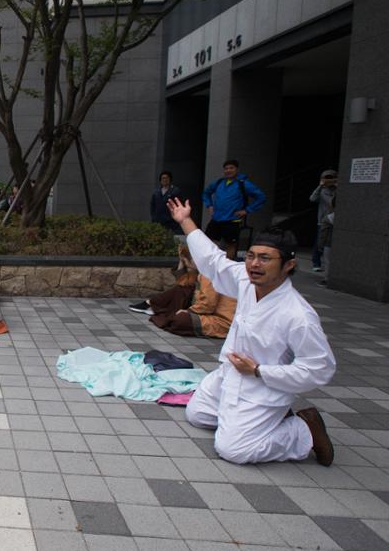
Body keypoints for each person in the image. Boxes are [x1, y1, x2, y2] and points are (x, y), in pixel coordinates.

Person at [167, 198, 336, 466]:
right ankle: (252, 423)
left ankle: (303, 430)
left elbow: (320, 368)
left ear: (289, 265)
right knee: (198, 414)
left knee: (233, 450)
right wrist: (185, 220)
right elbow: (213, 262)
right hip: (230, 375)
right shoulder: (247, 281)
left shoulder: (298, 315)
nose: (254, 264)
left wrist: (260, 371)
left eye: (265, 258)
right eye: (252, 256)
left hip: (264, 385)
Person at [129, 245, 236, 339]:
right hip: (206, 312)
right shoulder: (203, 271)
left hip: (222, 321)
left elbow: (208, 304)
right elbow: (183, 283)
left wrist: (189, 312)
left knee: (180, 320)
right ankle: (152, 305)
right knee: (181, 291)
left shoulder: (209, 273)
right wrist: (182, 263)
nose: (185, 264)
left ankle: (155, 307)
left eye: (185, 261)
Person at [202, 159, 266, 259]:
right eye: (226, 168)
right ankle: (211, 265)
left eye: (231, 168)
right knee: (208, 242)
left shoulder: (243, 184)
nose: (228, 170)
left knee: (230, 245)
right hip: (216, 218)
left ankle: (227, 268)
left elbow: (261, 197)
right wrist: (209, 205)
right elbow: (206, 193)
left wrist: (247, 210)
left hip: (232, 220)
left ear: (237, 169)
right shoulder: (219, 183)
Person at [309, 169, 337, 272]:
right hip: (322, 220)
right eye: (327, 178)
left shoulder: (337, 189)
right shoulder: (321, 190)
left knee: (330, 243)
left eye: (331, 178)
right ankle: (316, 263)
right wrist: (320, 186)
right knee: (319, 242)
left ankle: (329, 265)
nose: (329, 180)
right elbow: (312, 199)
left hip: (335, 219)